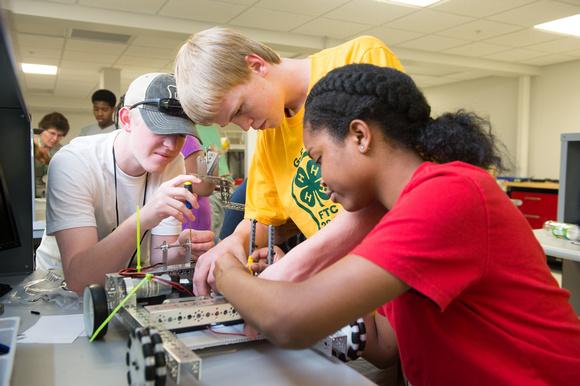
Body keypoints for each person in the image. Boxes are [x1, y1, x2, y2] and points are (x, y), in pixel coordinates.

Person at [213, 64, 580, 385]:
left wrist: (228, 269)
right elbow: (388, 345)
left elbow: (290, 321)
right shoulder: (396, 210)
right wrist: (318, 292)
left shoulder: (450, 194)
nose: (321, 180)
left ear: (360, 135)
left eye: (319, 158)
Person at [175, 27, 403, 295]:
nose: (245, 127)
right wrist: (234, 242)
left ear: (256, 65)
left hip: (398, 282)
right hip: (347, 296)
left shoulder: (360, 60)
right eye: (233, 122)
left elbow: (384, 198)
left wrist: (295, 265)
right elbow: (264, 218)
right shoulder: (269, 137)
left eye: (239, 110)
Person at [35, 73, 215, 294]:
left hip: (123, 287)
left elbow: (159, 257)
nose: (170, 145)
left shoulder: (172, 162)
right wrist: (146, 216)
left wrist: (182, 250)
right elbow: (80, 281)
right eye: (160, 129)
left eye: (180, 133)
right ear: (126, 119)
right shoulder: (73, 161)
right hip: (57, 295)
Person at [181, 134, 214, 231]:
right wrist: (213, 156)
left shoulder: (188, 139)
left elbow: (201, 186)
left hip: (190, 221)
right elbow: (203, 187)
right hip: (188, 222)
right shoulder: (188, 139)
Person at [33, 112, 70, 197]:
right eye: (52, 133)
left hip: (47, 196)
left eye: (60, 135)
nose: (55, 138)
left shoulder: (62, 151)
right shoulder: (28, 143)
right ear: (42, 129)